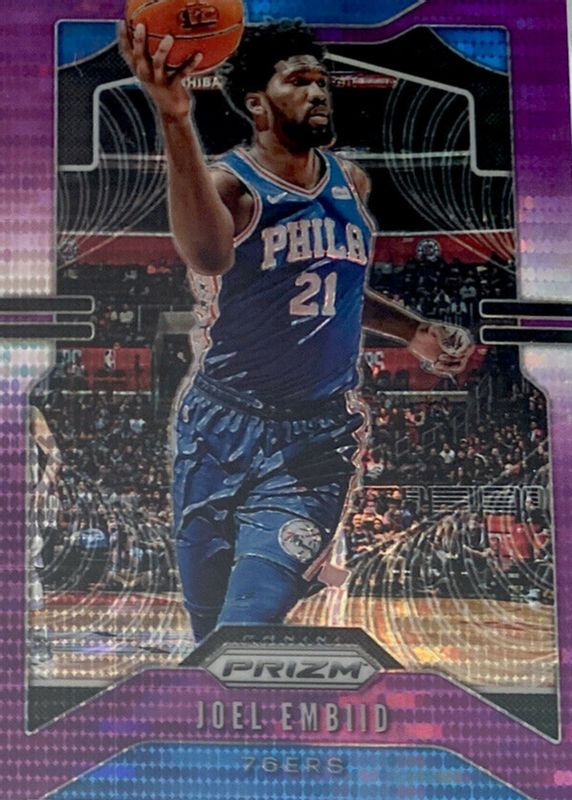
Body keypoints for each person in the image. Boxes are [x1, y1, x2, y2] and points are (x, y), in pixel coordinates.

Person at [119, 19, 474, 642]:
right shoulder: (232, 187)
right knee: (207, 630)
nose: (318, 92)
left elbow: (340, 286)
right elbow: (206, 255)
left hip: (314, 441)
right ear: (257, 104)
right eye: (299, 81)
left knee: (246, 625)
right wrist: (175, 119)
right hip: (219, 428)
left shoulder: (350, 182)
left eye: (322, 81)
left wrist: (414, 330)